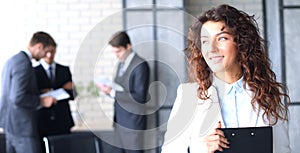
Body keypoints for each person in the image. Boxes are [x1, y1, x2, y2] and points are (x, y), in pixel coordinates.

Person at [161, 4, 291, 153]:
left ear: (241, 42)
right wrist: (200, 149)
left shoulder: (268, 94)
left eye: (222, 38)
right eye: (205, 41)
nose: (212, 49)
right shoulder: (189, 96)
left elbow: (282, 149)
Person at [0, 31, 57, 153]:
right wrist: (42, 101)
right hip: (22, 127)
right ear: (39, 47)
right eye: (46, 51)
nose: (46, 55)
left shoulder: (12, 60)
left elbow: (13, 92)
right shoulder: (23, 63)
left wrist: (39, 93)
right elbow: (18, 97)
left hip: (9, 125)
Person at [96, 31, 150, 153]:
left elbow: (140, 96)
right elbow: (121, 90)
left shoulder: (140, 65)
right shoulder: (121, 64)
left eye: (118, 51)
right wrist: (108, 90)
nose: (117, 55)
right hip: (120, 121)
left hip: (133, 123)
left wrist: (113, 92)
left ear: (128, 46)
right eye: (114, 52)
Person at [34, 40, 76, 152]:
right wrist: (61, 88)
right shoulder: (34, 72)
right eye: (47, 52)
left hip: (62, 120)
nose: (49, 55)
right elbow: (32, 95)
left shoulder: (64, 70)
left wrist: (70, 89)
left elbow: (73, 95)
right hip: (43, 121)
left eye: (52, 51)